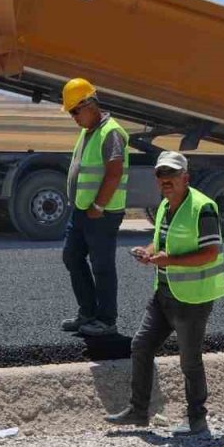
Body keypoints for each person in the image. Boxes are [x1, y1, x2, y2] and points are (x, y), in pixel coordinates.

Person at [107, 151, 224, 436]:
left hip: (193, 298)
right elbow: (159, 241)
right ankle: (139, 411)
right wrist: (148, 253)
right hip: (164, 293)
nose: (166, 180)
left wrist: (168, 261)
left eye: (172, 174)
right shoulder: (163, 206)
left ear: (186, 177)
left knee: (189, 360)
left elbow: (210, 253)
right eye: (161, 174)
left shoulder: (203, 208)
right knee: (141, 345)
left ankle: (197, 420)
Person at [60, 78, 129, 337]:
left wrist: (99, 205)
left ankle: (106, 320)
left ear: (89, 104)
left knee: (102, 266)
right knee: (71, 256)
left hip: (103, 213)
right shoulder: (88, 130)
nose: (73, 117)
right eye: (70, 112)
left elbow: (114, 172)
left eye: (75, 111)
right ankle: (87, 313)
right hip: (82, 210)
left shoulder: (111, 132)